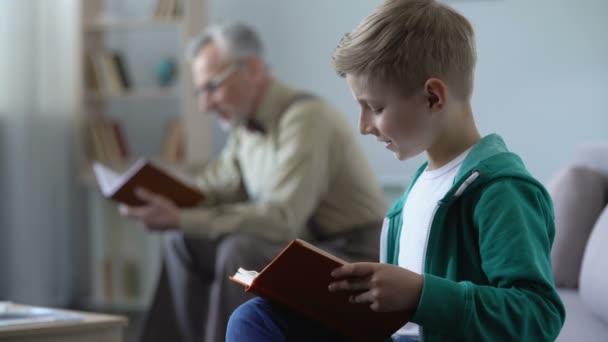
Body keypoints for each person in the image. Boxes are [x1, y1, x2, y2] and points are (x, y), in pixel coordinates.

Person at [226, 1, 566, 341]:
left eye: (374, 108)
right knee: (257, 318)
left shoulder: (501, 191)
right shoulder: (417, 191)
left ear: (433, 97)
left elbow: (538, 315)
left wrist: (421, 294)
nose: (362, 126)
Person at [121, 22, 387, 342]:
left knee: (241, 248)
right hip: (302, 245)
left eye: (212, 87)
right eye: (200, 92)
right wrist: (156, 196)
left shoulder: (306, 120)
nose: (205, 105)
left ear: (253, 69)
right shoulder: (246, 128)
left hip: (348, 256)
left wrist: (182, 217)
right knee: (181, 241)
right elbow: (214, 189)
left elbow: (281, 221)